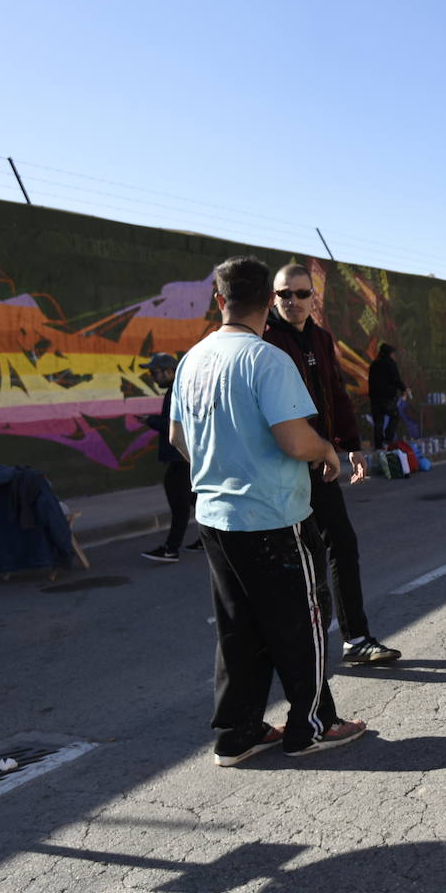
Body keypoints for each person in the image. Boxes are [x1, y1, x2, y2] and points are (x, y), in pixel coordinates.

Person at [169, 256, 365, 764]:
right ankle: (313, 726)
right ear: (266, 303)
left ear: (219, 300)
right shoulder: (267, 359)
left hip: (215, 518)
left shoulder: (192, 360)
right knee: (303, 621)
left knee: (239, 627)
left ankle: (238, 733)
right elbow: (294, 439)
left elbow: (178, 438)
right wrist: (327, 450)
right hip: (273, 517)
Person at [262, 262, 401, 666]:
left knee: (341, 543)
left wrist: (351, 445)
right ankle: (295, 647)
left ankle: (355, 637)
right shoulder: (264, 339)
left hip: (319, 463)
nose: (293, 301)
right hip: (281, 466)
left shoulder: (321, 338)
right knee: (294, 559)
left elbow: (335, 394)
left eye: (301, 293)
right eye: (284, 294)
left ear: (313, 298)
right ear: (273, 297)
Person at [139, 353, 200, 562]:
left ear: (169, 371)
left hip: (180, 457)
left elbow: (175, 425)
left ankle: (171, 549)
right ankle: (209, 538)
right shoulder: (179, 390)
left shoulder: (176, 392)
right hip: (184, 456)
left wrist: (150, 421)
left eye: (154, 372)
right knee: (194, 500)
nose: (153, 377)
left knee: (179, 504)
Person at [367, 343, 408, 451]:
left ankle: (378, 445)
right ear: (389, 353)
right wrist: (404, 389)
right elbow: (396, 379)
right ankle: (388, 438)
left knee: (378, 422)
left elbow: (370, 381)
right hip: (387, 397)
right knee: (395, 416)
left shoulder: (374, 364)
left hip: (375, 398)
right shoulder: (390, 363)